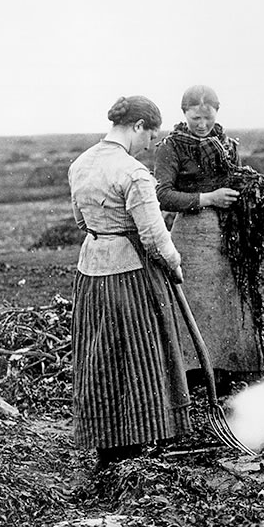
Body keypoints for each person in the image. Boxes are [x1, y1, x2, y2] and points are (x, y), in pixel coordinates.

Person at [68, 95, 189, 467]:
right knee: (139, 355)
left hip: (90, 270)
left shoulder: (80, 164)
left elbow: (81, 222)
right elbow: (154, 237)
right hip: (129, 275)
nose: (149, 147)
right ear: (138, 126)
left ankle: (108, 444)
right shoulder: (134, 173)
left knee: (100, 356)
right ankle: (136, 440)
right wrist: (174, 264)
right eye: (150, 139)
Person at [154, 85, 262, 394]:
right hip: (190, 232)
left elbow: (234, 179)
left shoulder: (227, 144)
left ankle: (223, 368)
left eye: (208, 116)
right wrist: (208, 197)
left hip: (225, 232)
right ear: (184, 113)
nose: (202, 124)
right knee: (193, 301)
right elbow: (162, 194)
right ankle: (191, 371)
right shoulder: (171, 146)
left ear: (217, 111)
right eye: (195, 117)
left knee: (224, 300)